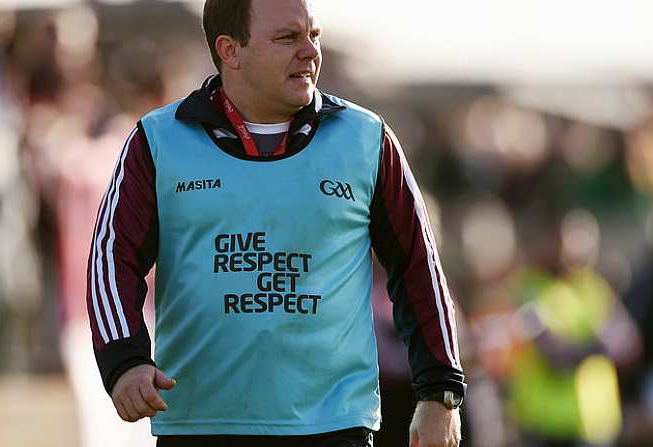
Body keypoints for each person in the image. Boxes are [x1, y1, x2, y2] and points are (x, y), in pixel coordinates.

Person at [85, 0, 466, 446]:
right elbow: (112, 260)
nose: (309, 51)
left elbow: (419, 265)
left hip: (333, 427)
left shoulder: (367, 139)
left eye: (314, 35)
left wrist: (439, 392)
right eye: (288, 38)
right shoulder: (157, 140)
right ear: (231, 50)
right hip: (201, 425)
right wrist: (125, 360)